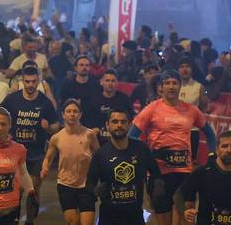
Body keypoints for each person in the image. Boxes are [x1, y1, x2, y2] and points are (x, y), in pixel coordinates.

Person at [130, 71, 217, 225]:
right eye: (167, 83)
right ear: (161, 87)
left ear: (180, 86)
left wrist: (211, 155)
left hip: (184, 173)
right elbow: (132, 136)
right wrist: (144, 158)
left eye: (174, 83)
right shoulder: (152, 109)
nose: (171, 86)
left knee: (184, 220)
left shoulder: (191, 110)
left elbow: (210, 134)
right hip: (159, 174)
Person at [0, 65, 59, 225]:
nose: (30, 85)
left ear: (38, 81)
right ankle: (15, 218)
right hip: (14, 152)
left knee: (33, 189)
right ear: (22, 81)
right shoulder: (12, 99)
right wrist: (5, 132)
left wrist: (48, 127)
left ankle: (30, 221)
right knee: (16, 189)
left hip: (36, 153)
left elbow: (56, 127)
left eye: (33, 81)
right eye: (27, 81)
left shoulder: (45, 102)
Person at [86, 109, 163, 225]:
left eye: (123, 122)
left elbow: (156, 173)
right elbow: (89, 184)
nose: (119, 125)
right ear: (107, 125)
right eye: (115, 122)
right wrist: (95, 191)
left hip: (135, 217)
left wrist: (156, 186)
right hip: (109, 217)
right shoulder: (100, 154)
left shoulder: (141, 149)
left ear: (129, 124)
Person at [40, 99, 100, 225]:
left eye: (75, 111)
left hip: (86, 185)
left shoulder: (89, 135)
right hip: (65, 185)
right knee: (73, 222)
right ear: (63, 114)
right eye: (69, 111)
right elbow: (48, 158)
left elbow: (99, 155)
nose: (72, 114)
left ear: (80, 114)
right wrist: (45, 168)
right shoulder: (56, 138)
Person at [178, 130, 231, 225]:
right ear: (216, 150)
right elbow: (180, 194)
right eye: (224, 146)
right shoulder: (202, 172)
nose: (229, 150)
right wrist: (185, 211)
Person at [84, 70, 133, 144]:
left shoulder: (124, 99)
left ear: (117, 83)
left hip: (119, 137)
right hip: (98, 139)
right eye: (107, 80)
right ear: (101, 82)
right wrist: (91, 129)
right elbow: (87, 120)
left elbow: (130, 119)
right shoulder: (94, 100)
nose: (110, 83)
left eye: (113, 81)